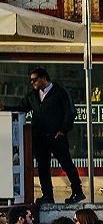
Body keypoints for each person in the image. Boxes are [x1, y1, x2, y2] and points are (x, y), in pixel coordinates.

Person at [15, 67, 84, 204]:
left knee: (66, 164)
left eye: (35, 79)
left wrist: (63, 130)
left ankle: (78, 192)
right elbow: (21, 107)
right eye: (31, 80)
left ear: (44, 78)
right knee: (43, 167)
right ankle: (47, 195)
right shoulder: (33, 95)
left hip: (57, 137)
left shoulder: (60, 92)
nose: (32, 83)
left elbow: (70, 112)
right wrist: (4, 108)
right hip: (40, 137)